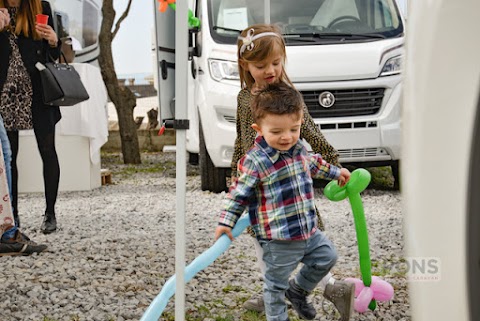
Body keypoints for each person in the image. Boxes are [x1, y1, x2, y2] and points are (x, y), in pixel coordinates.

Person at [232, 23, 354, 320]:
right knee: (267, 244)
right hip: (260, 186)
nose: (270, 69)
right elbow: (241, 137)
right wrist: (235, 172)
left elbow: (308, 128)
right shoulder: (244, 99)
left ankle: (324, 288)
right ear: (245, 65)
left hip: (288, 183)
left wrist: (330, 161)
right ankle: (276, 291)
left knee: (304, 238)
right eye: (261, 65)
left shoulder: (287, 94)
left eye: (276, 62)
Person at [0, 0, 62, 234]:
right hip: (6, 91)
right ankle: (12, 213)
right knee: (9, 156)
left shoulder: (40, 7)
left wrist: (54, 40)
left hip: (37, 90)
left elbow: (53, 53)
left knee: (47, 150)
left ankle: (50, 213)